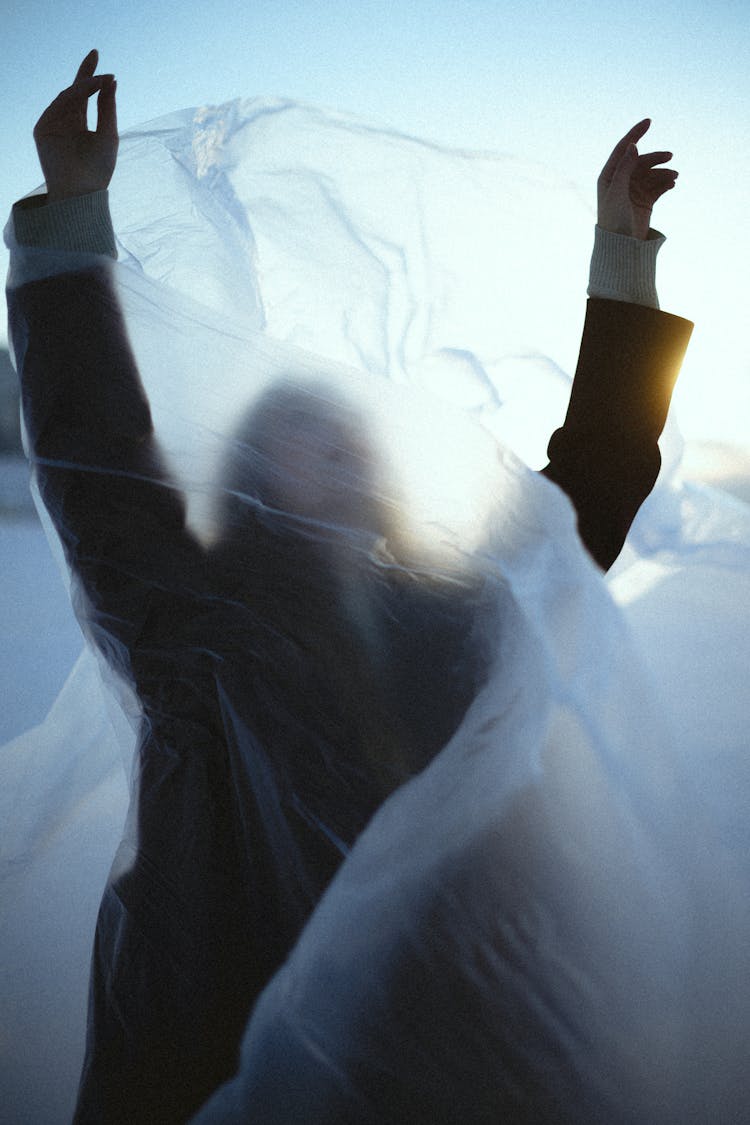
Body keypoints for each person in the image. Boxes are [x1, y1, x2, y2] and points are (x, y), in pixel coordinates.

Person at [7, 51, 692, 1124]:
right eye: (301, 440)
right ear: (247, 474)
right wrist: (69, 224)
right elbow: (97, 461)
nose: (338, 456)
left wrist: (622, 247)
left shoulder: (456, 611)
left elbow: (589, 489)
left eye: (350, 442)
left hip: (450, 1037)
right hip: (224, 1041)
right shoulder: (191, 626)